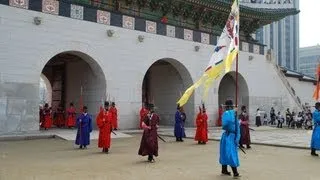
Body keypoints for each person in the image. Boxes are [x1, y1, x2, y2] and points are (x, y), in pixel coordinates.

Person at [219, 99, 240, 178]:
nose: (229, 108)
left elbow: (237, 126)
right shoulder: (226, 114)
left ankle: (224, 170)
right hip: (227, 136)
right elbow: (225, 124)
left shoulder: (233, 114)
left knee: (229, 153)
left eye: (230, 107)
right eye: (229, 107)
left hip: (232, 136)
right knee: (228, 153)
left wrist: (238, 137)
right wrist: (232, 112)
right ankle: (235, 172)